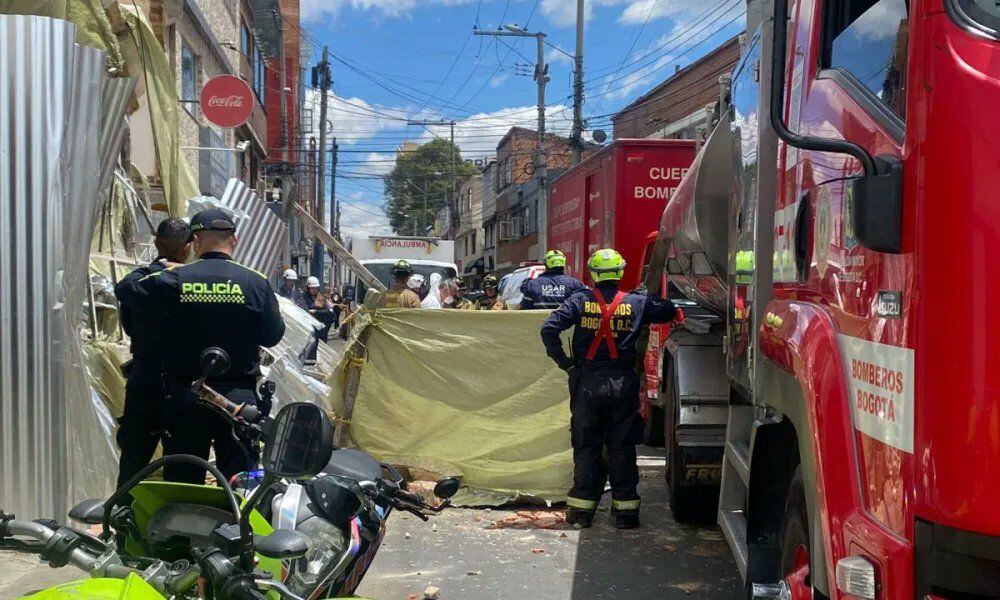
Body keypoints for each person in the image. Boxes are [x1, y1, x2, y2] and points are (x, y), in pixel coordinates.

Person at [136, 208, 286, 484]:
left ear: (195, 241)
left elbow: (128, 290)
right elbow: (272, 336)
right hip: (239, 400)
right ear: (234, 241)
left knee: (183, 478)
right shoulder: (255, 281)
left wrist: (164, 269)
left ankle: (183, 526)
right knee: (240, 483)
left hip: (185, 394)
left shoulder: (175, 278)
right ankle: (235, 526)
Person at [539, 248, 677, 529]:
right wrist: (645, 297)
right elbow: (669, 310)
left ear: (592, 273)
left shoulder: (579, 300)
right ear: (620, 272)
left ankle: (581, 513)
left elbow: (548, 329)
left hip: (586, 383)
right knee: (622, 447)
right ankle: (626, 514)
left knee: (587, 446)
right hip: (622, 384)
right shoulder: (637, 302)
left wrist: (566, 364)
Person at [112, 218, 192, 489]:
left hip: (144, 379)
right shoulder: (194, 281)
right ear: (188, 248)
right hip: (183, 384)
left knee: (134, 460)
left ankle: (122, 520)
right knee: (180, 464)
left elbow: (129, 322)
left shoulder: (141, 281)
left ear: (157, 243)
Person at [521, 250, 586, 310]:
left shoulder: (532, 284)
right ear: (563, 264)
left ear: (546, 265)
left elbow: (525, 309)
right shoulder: (575, 284)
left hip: (541, 322)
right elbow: (583, 306)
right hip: (566, 322)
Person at [302, 276, 336, 341]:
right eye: (312, 288)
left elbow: (330, 312)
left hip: (322, 328)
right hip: (310, 327)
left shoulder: (321, 298)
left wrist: (316, 312)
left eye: (316, 288)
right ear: (308, 288)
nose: (314, 290)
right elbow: (304, 310)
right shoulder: (304, 297)